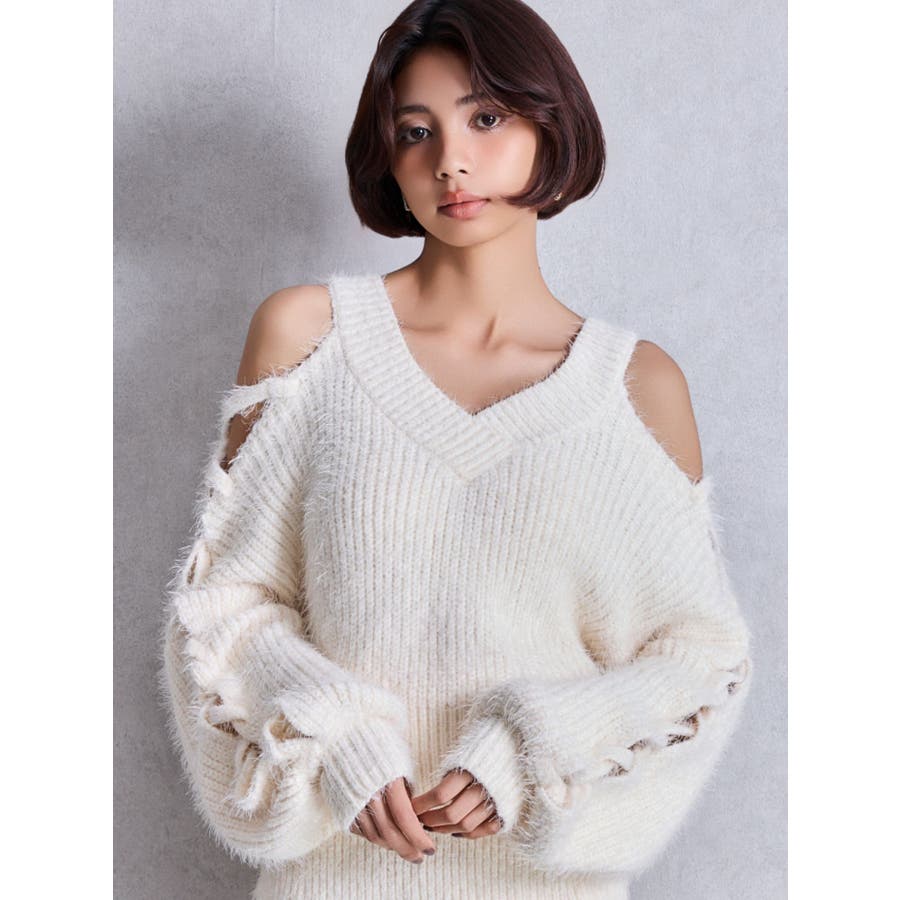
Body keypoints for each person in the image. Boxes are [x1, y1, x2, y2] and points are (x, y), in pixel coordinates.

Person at [158, 1, 754, 898]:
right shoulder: (308, 343)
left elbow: (698, 660)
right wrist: (334, 736)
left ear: (550, 125)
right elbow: (223, 610)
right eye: (415, 131)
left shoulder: (635, 387)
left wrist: (532, 748)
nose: (450, 160)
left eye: (486, 117)